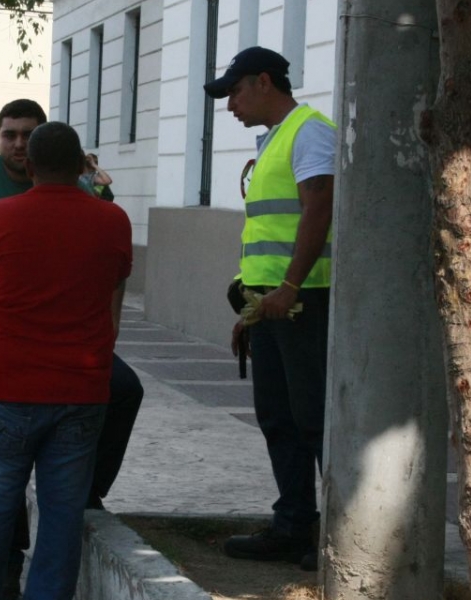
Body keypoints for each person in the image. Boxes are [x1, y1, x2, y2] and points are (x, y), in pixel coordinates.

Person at [0, 98, 145, 596]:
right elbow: (115, 286)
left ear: (33, 164)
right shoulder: (114, 222)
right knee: (63, 517)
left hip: (10, 386)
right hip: (82, 390)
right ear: (79, 164)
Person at [203, 46, 335, 571]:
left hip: (305, 301)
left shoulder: (309, 131)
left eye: (234, 91)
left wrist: (289, 287)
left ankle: (335, 535)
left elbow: (319, 207)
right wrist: (253, 310)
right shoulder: (276, 140)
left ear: (263, 82)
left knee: (313, 420)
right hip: (274, 307)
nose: (230, 104)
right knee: (278, 418)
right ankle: (293, 525)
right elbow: (269, 233)